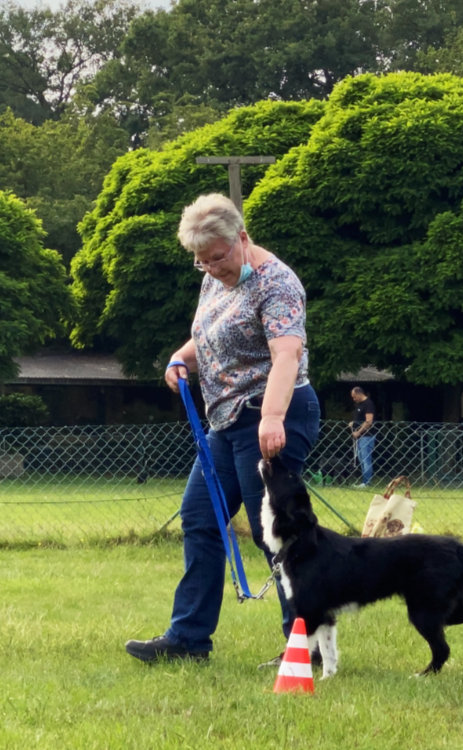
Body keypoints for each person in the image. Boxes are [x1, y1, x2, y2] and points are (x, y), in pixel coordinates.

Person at [125, 193, 321, 664]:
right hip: (224, 420)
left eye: (218, 257)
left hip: (272, 413)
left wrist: (272, 418)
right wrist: (180, 357)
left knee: (272, 532)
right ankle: (187, 640)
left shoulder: (277, 283)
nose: (212, 268)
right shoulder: (215, 279)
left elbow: (286, 356)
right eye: (202, 262)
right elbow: (209, 332)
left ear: (242, 238)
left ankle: (306, 645)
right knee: (200, 519)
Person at [349, 386, 376, 487]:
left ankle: (367, 482)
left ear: (359, 393)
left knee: (366, 459)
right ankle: (364, 482)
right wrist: (353, 423)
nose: (354, 399)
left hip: (367, 436)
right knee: (361, 459)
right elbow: (359, 419)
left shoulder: (368, 404)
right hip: (361, 437)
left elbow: (368, 421)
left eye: (354, 396)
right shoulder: (359, 405)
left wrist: (358, 432)